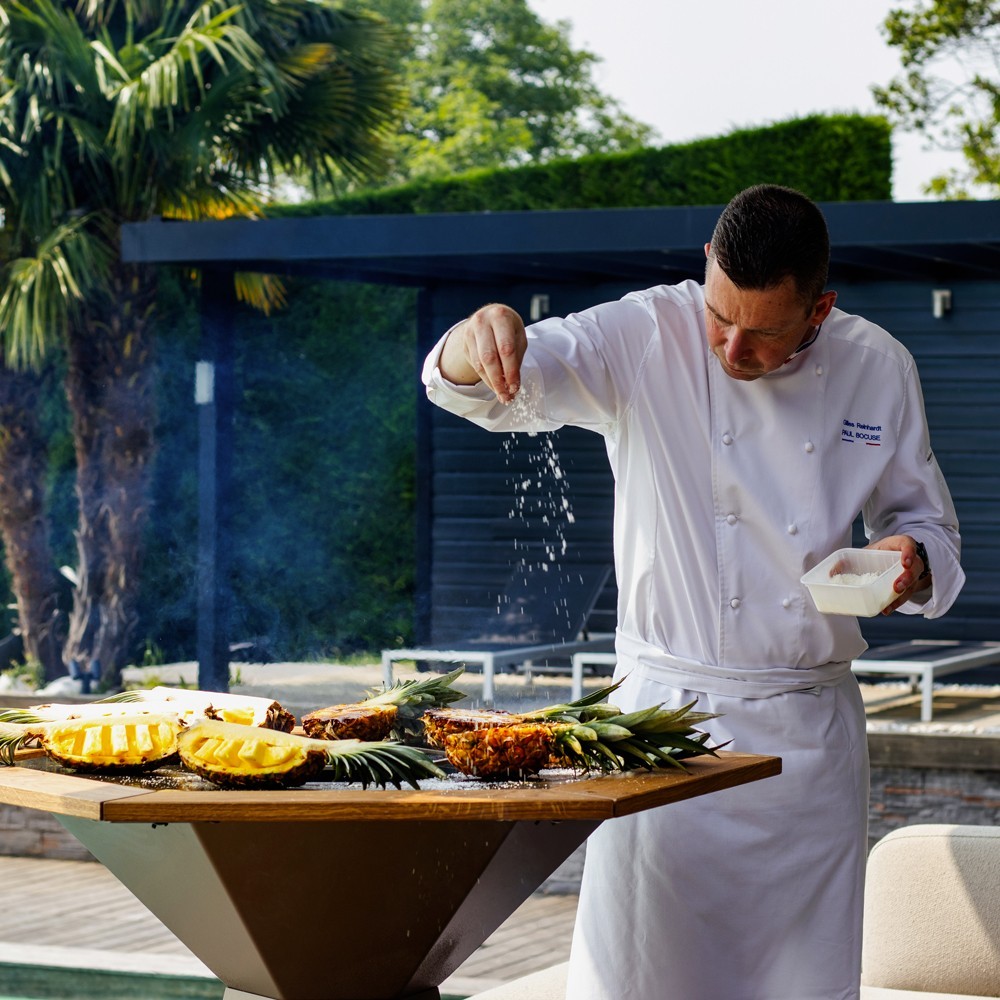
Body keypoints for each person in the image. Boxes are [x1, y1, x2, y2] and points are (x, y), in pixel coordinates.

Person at [421, 184, 965, 1000]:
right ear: (706, 263)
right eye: (719, 316)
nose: (731, 348)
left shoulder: (879, 366)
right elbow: (472, 387)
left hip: (806, 744)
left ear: (820, 310)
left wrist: (911, 560)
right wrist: (478, 335)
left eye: (764, 333)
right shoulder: (643, 331)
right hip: (663, 727)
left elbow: (932, 530)